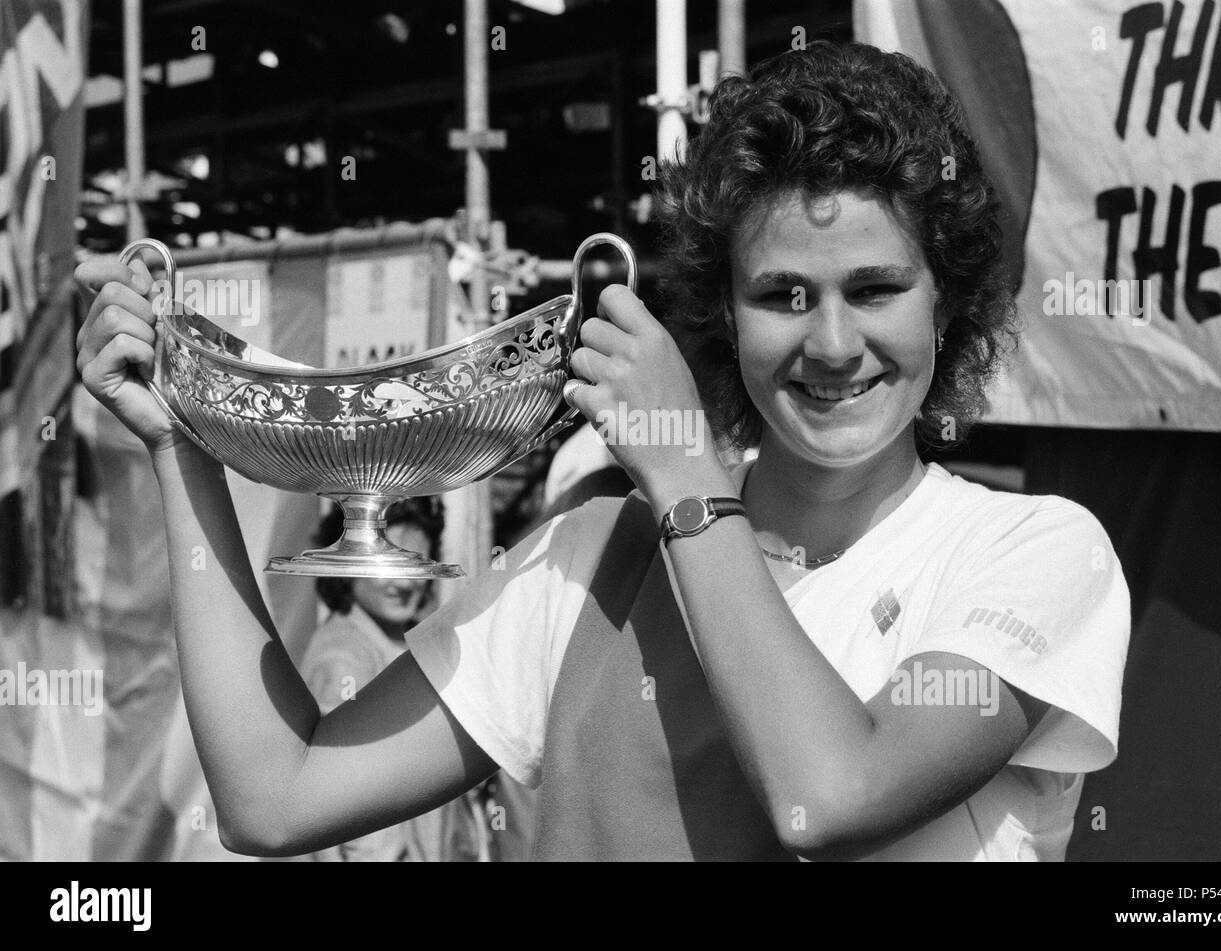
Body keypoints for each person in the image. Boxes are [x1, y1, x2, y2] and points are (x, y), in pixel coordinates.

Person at [74, 40, 1129, 861]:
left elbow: (827, 800)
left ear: (947, 305)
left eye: (875, 289)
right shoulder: (586, 562)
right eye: (782, 295)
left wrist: (681, 475)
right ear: (722, 312)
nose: (832, 343)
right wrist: (186, 446)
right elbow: (272, 796)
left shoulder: (1032, 554)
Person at [297, 498, 487, 862]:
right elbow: (349, 807)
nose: (403, 582)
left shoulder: (399, 640)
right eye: (388, 562)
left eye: (414, 563)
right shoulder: (343, 660)